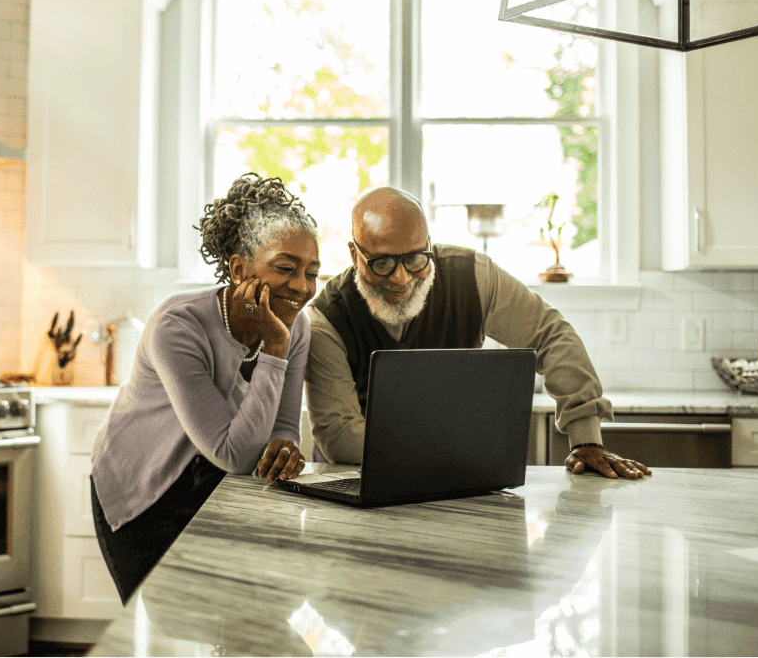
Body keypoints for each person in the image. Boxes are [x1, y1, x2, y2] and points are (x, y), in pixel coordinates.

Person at [305, 186, 651, 480]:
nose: (402, 278)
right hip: (354, 483)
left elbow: (550, 335)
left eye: (416, 258)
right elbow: (340, 438)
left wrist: (585, 437)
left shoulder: (475, 278)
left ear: (429, 243)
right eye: (382, 263)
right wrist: (465, 444)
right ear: (354, 254)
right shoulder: (325, 319)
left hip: (457, 479)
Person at [90, 173, 320, 603]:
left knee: (228, 621)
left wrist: (285, 446)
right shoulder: (177, 327)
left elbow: (283, 427)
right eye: (286, 269)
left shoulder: (296, 326)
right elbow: (234, 454)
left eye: (312, 272)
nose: (303, 287)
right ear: (238, 269)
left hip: (213, 485)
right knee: (159, 636)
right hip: (144, 489)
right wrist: (274, 347)